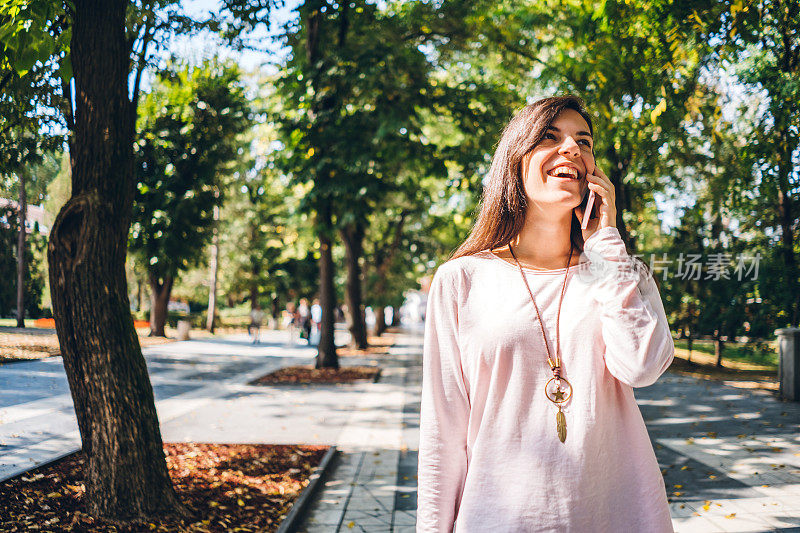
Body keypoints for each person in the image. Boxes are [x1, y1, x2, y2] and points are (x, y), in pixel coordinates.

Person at [417, 95, 675, 533]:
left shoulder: (620, 273)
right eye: (550, 137)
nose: (572, 149)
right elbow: (442, 433)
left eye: (584, 141)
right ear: (515, 161)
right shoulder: (461, 280)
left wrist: (605, 243)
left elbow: (643, 367)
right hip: (498, 518)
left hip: (617, 514)